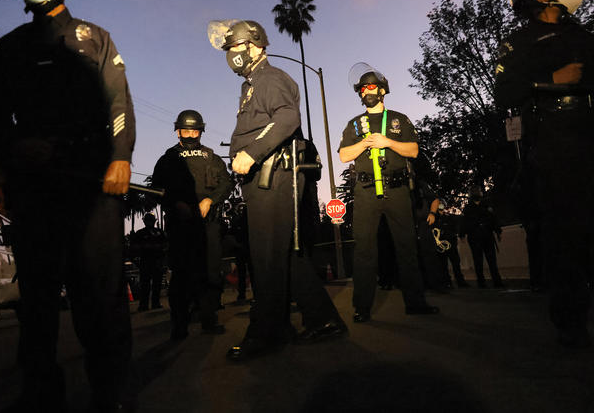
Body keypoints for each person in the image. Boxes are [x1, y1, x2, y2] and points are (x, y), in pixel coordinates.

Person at [0, 0, 135, 411]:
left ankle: (110, 394)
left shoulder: (95, 38)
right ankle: (42, 393)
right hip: (35, 190)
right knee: (39, 300)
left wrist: (121, 158)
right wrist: (13, 148)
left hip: (92, 186)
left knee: (100, 297)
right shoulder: (9, 47)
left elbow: (118, 103)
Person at [494, 0, 594, 347]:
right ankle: (571, 325)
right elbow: (504, 94)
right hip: (557, 140)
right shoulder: (520, 42)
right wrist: (548, 82)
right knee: (566, 235)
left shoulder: (587, 36)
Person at [208, 19, 346, 361]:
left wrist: (250, 153)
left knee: (266, 258)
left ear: (254, 44)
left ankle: (266, 334)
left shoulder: (270, 78)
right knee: (285, 257)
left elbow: (287, 119)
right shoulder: (253, 84)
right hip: (266, 179)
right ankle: (323, 320)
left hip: (274, 176)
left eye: (235, 48)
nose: (232, 56)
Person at [338, 63, 438, 323]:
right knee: (364, 251)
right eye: (362, 89)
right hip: (366, 191)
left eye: (371, 86)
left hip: (397, 189)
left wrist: (387, 142)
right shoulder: (354, 124)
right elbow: (343, 155)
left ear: (382, 90)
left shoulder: (398, 119)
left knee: (406, 247)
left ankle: (415, 303)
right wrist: (364, 143)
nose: (366, 92)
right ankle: (362, 307)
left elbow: (413, 151)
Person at [152, 110, 232, 338]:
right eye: (185, 130)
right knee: (181, 273)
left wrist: (210, 199)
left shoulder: (212, 157)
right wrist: (176, 204)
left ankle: (209, 319)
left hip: (209, 224)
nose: (189, 134)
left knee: (211, 272)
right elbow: (157, 189)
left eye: (194, 130)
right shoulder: (168, 158)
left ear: (200, 131)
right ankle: (179, 325)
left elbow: (226, 183)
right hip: (181, 224)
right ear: (178, 131)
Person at [460, 187, 504, 289]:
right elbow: (464, 222)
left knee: (492, 261)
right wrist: (462, 234)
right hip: (475, 238)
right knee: (478, 261)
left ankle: (497, 281)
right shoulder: (468, 208)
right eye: (475, 192)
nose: (477, 193)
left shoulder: (486, 206)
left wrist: (498, 231)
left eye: (478, 191)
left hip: (487, 236)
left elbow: (493, 219)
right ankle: (481, 283)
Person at [130, 213, 166, 312]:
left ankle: (154, 303)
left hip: (156, 262)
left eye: (151, 220)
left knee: (156, 284)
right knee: (145, 285)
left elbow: (165, 246)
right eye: (148, 220)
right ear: (145, 221)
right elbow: (134, 248)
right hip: (146, 262)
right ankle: (144, 305)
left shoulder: (159, 232)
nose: (150, 222)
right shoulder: (140, 233)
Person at [435, 202, 469, 288]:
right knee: (444, 265)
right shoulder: (435, 219)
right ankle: (448, 282)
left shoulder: (449, 218)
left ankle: (459, 281)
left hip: (451, 244)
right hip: (442, 245)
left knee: (456, 264)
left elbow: (454, 229)